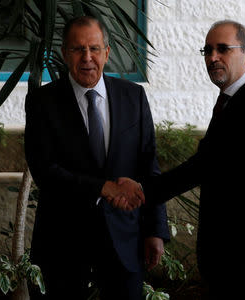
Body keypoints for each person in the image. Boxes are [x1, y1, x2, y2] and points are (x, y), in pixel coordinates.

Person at [113, 20, 245, 300]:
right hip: (227, 263)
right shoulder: (230, 101)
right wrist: (143, 191)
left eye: (223, 49)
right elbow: (200, 168)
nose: (213, 57)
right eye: (208, 50)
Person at [24, 16, 169, 300]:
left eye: (94, 48)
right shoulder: (42, 102)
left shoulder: (133, 97)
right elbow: (45, 170)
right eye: (78, 49)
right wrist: (103, 187)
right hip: (63, 243)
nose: (87, 57)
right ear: (65, 54)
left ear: (107, 52)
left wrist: (156, 231)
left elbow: (149, 165)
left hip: (125, 240)